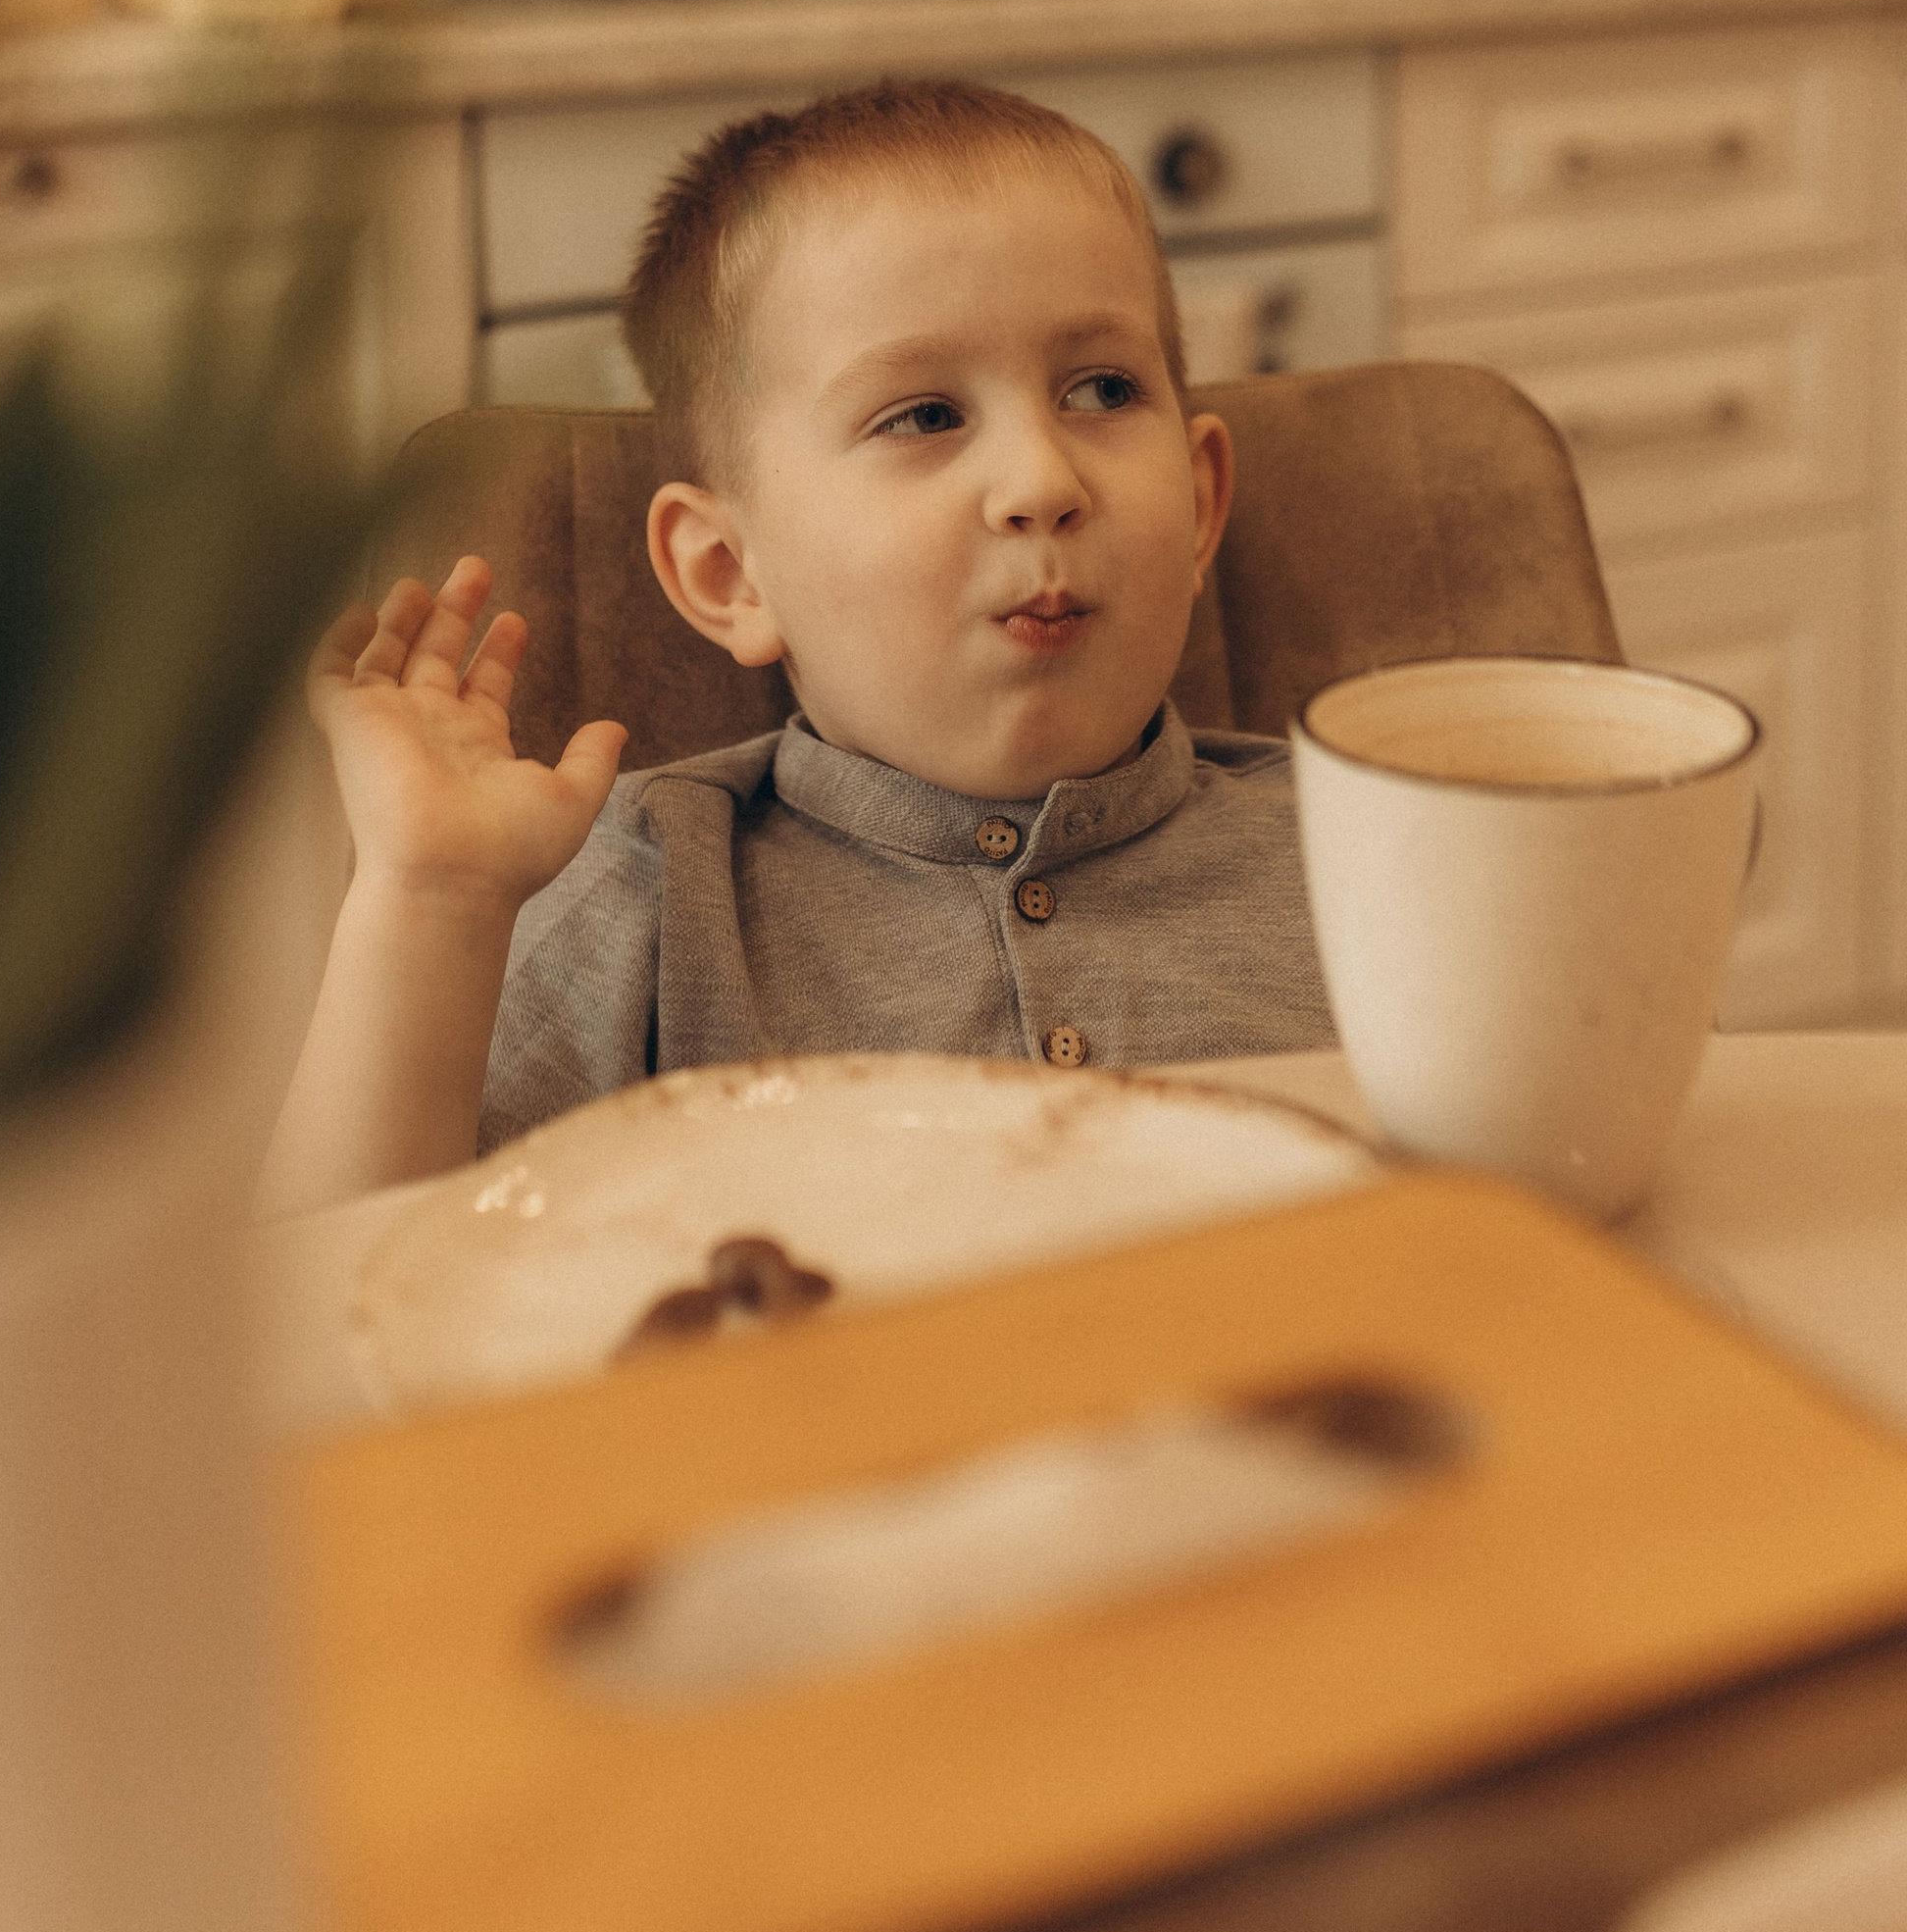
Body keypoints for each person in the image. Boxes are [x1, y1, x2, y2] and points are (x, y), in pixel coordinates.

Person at [261, 77, 1333, 1210]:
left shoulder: (1362, 850)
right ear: (730, 574)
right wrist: (434, 899)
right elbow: (332, 1308)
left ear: (1203, 503)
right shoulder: (650, 894)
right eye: (923, 415)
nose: (1041, 483)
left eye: (1102, 389)